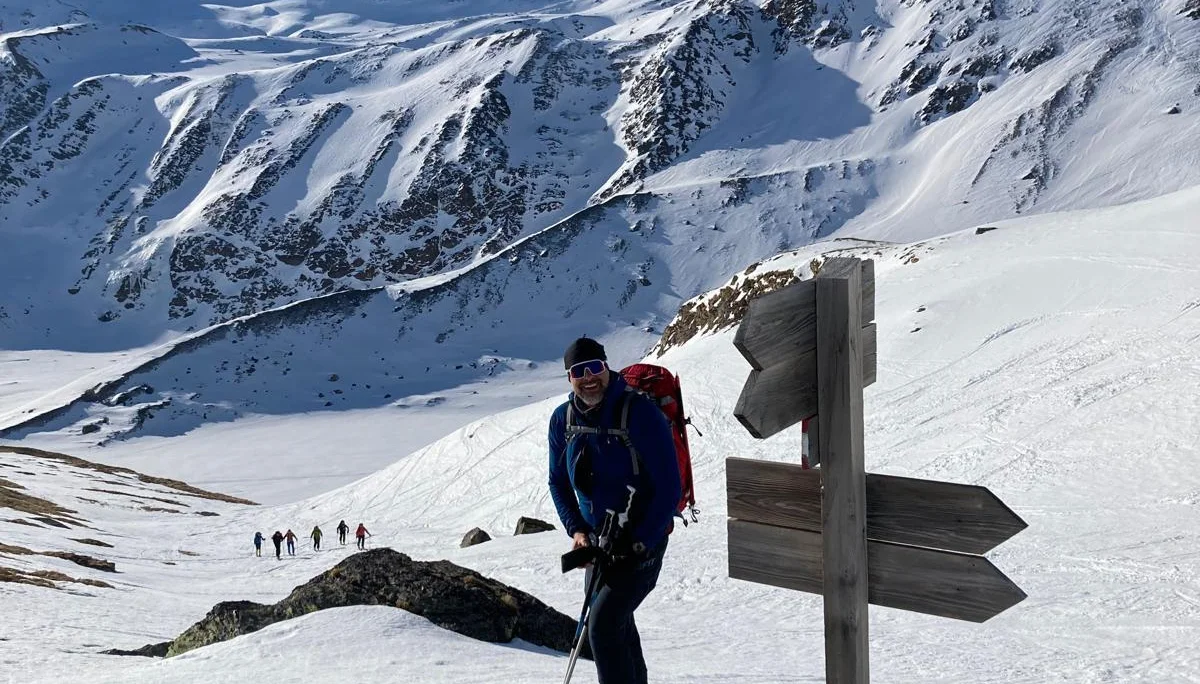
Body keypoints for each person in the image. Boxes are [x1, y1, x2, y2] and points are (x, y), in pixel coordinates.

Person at [548, 337, 680, 684]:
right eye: (579, 371)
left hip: (642, 542)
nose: (589, 377)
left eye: (595, 367)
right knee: (615, 624)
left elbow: (669, 488)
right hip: (597, 544)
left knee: (602, 626)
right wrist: (577, 530)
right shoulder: (562, 420)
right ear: (569, 378)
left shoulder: (640, 414)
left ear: (607, 368)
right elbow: (558, 482)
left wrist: (639, 543)